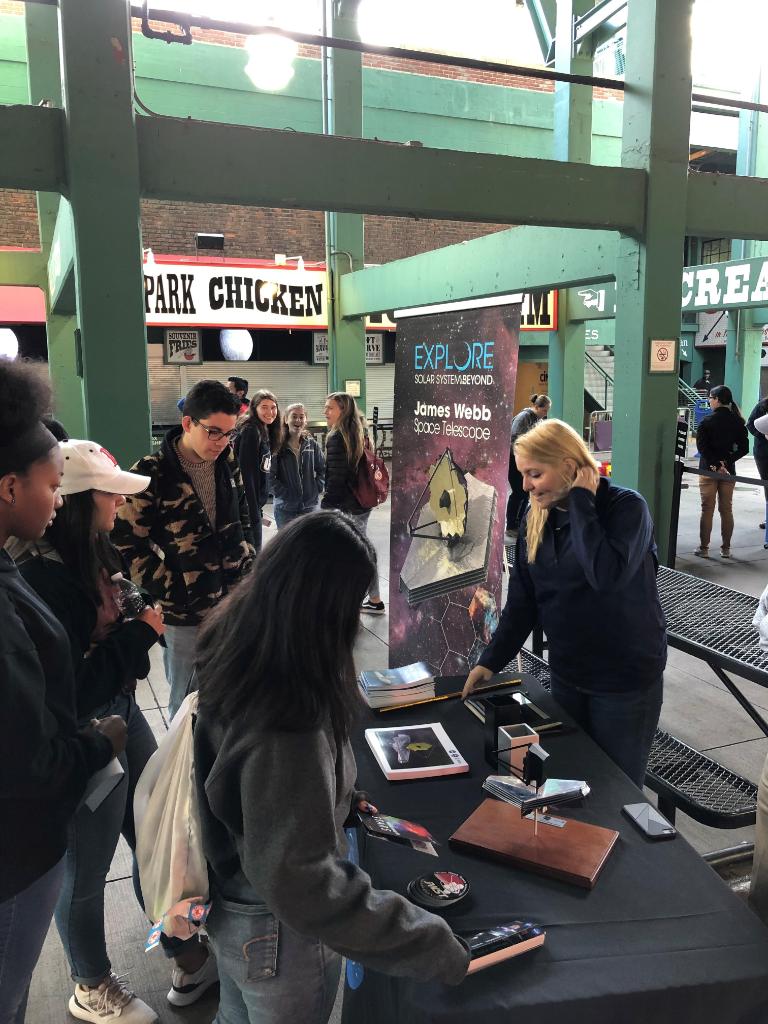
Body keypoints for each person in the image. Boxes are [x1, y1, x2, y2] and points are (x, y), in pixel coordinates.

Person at [193, 512, 469, 1023]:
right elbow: (301, 881)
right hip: (277, 935)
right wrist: (426, 940)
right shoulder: (288, 717)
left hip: (232, 908)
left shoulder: (239, 647)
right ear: (324, 609)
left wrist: (335, 795)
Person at [19, 440, 164, 1024]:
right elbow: (70, 686)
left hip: (122, 711)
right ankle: (89, 981)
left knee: (153, 825)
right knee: (87, 865)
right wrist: (139, 637)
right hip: (86, 732)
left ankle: (175, 938)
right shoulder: (46, 580)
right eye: (109, 494)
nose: (119, 505)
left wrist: (136, 627)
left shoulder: (95, 551)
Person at [0, 361, 125, 1024]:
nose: (57, 501)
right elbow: (28, 762)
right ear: (8, 485)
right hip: (16, 860)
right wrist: (95, 742)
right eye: (52, 486)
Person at [463, 418, 667, 788]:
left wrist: (582, 503)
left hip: (623, 680)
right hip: (569, 673)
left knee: (616, 791)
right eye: (522, 474)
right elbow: (524, 600)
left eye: (534, 474)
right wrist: (491, 661)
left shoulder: (625, 509)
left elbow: (605, 576)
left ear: (570, 467)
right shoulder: (533, 515)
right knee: (570, 780)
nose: (524, 485)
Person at [113, 379, 254, 724]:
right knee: (186, 704)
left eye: (229, 433)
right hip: (183, 614)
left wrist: (249, 560)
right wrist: (172, 587)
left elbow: (244, 511)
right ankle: (185, 774)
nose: (222, 442)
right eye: (214, 432)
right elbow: (124, 543)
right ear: (188, 423)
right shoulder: (150, 473)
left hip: (234, 600)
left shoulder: (227, 460)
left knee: (232, 691)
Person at [321, 392, 384, 614]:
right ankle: (373, 598)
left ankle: (355, 600)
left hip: (347, 505)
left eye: (330, 408)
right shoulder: (360, 432)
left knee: (353, 554)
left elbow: (336, 478)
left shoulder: (337, 438)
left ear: (343, 411)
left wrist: (326, 508)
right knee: (362, 549)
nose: (325, 412)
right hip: (362, 502)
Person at [694, 384, 749, 559]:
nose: (709, 401)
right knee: (727, 510)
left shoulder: (706, 421)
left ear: (717, 399)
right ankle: (726, 549)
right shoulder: (738, 421)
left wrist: (715, 464)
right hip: (728, 472)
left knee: (707, 509)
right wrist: (726, 462)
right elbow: (744, 448)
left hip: (708, 471)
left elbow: (702, 447)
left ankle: (704, 548)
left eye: (710, 398)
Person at [234, 389, 280, 551]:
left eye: (273, 407)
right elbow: (247, 475)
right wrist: (252, 509)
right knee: (253, 552)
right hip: (248, 505)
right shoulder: (251, 431)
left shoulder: (264, 430)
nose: (270, 412)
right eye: (264, 407)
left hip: (255, 504)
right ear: (254, 408)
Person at [270, 403, 325, 529]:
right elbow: (268, 475)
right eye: (294, 416)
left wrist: (317, 487)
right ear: (286, 419)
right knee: (287, 545)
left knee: (309, 545)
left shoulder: (311, 444)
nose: (298, 420)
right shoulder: (277, 445)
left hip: (310, 507)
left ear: (306, 420)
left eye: (301, 417)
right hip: (285, 508)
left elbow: (322, 468)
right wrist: (284, 494)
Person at [506, 394, 551, 534]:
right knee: (518, 492)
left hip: (524, 460)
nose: (545, 414)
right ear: (536, 407)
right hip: (514, 460)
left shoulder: (537, 419)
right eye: (544, 410)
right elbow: (514, 438)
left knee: (525, 494)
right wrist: (523, 456)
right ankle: (511, 526)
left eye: (547, 411)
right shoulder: (523, 417)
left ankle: (520, 524)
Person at [747, 394, 768, 530]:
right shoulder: (763, 405)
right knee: (767, 484)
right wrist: (764, 434)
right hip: (764, 452)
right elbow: (750, 424)